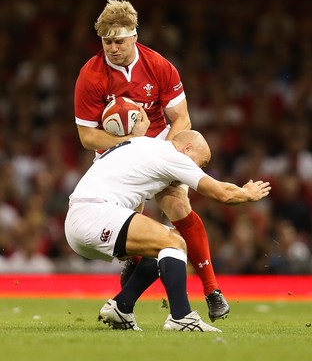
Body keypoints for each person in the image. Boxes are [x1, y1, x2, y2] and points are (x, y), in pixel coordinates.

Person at [74, 0, 228, 322]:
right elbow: (88, 138)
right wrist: (132, 145)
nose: (112, 48)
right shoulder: (90, 76)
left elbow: (181, 118)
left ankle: (212, 290)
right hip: (115, 157)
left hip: (159, 143)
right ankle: (127, 296)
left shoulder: (159, 65)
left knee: (178, 206)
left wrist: (164, 157)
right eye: (106, 42)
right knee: (139, 238)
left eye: (118, 41)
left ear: (134, 37)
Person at [64, 130, 271, 331]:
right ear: (188, 148)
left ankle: (122, 307)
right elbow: (222, 194)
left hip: (80, 219)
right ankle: (181, 317)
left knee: (160, 247)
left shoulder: (143, 144)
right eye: (201, 162)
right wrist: (246, 193)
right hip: (95, 214)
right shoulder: (172, 155)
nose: (199, 168)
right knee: (175, 242)